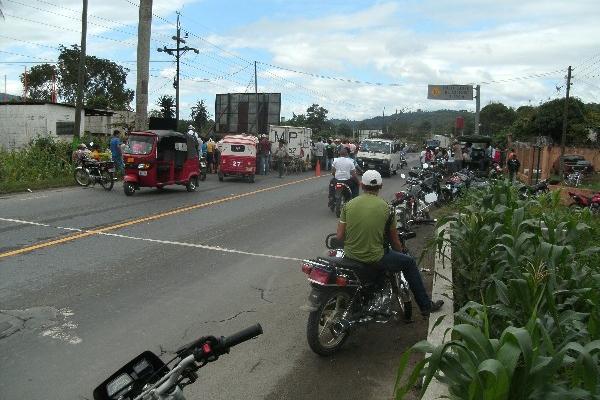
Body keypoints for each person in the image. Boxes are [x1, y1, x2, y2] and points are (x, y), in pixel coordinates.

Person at [336, 170, 444, 317]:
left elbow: (340, 236)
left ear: (361, 185)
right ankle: (425, 306)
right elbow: (394, 241)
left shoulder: (348, 205)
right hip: (375, 257)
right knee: (409, 262)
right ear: (380, 186)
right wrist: (401, 252)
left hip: (350, 255)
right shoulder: (387, 208)